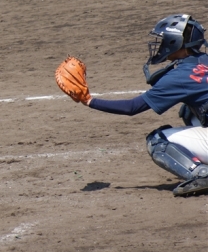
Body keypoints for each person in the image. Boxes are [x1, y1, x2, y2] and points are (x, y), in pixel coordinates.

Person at [85, 14, 208, 196]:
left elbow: (132, 107)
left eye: (164, 39)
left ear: (175, 42)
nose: (160, 44)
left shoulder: (180, 76)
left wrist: (89, 100)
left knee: (158, 140)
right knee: (189, 111)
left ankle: (201, 174)